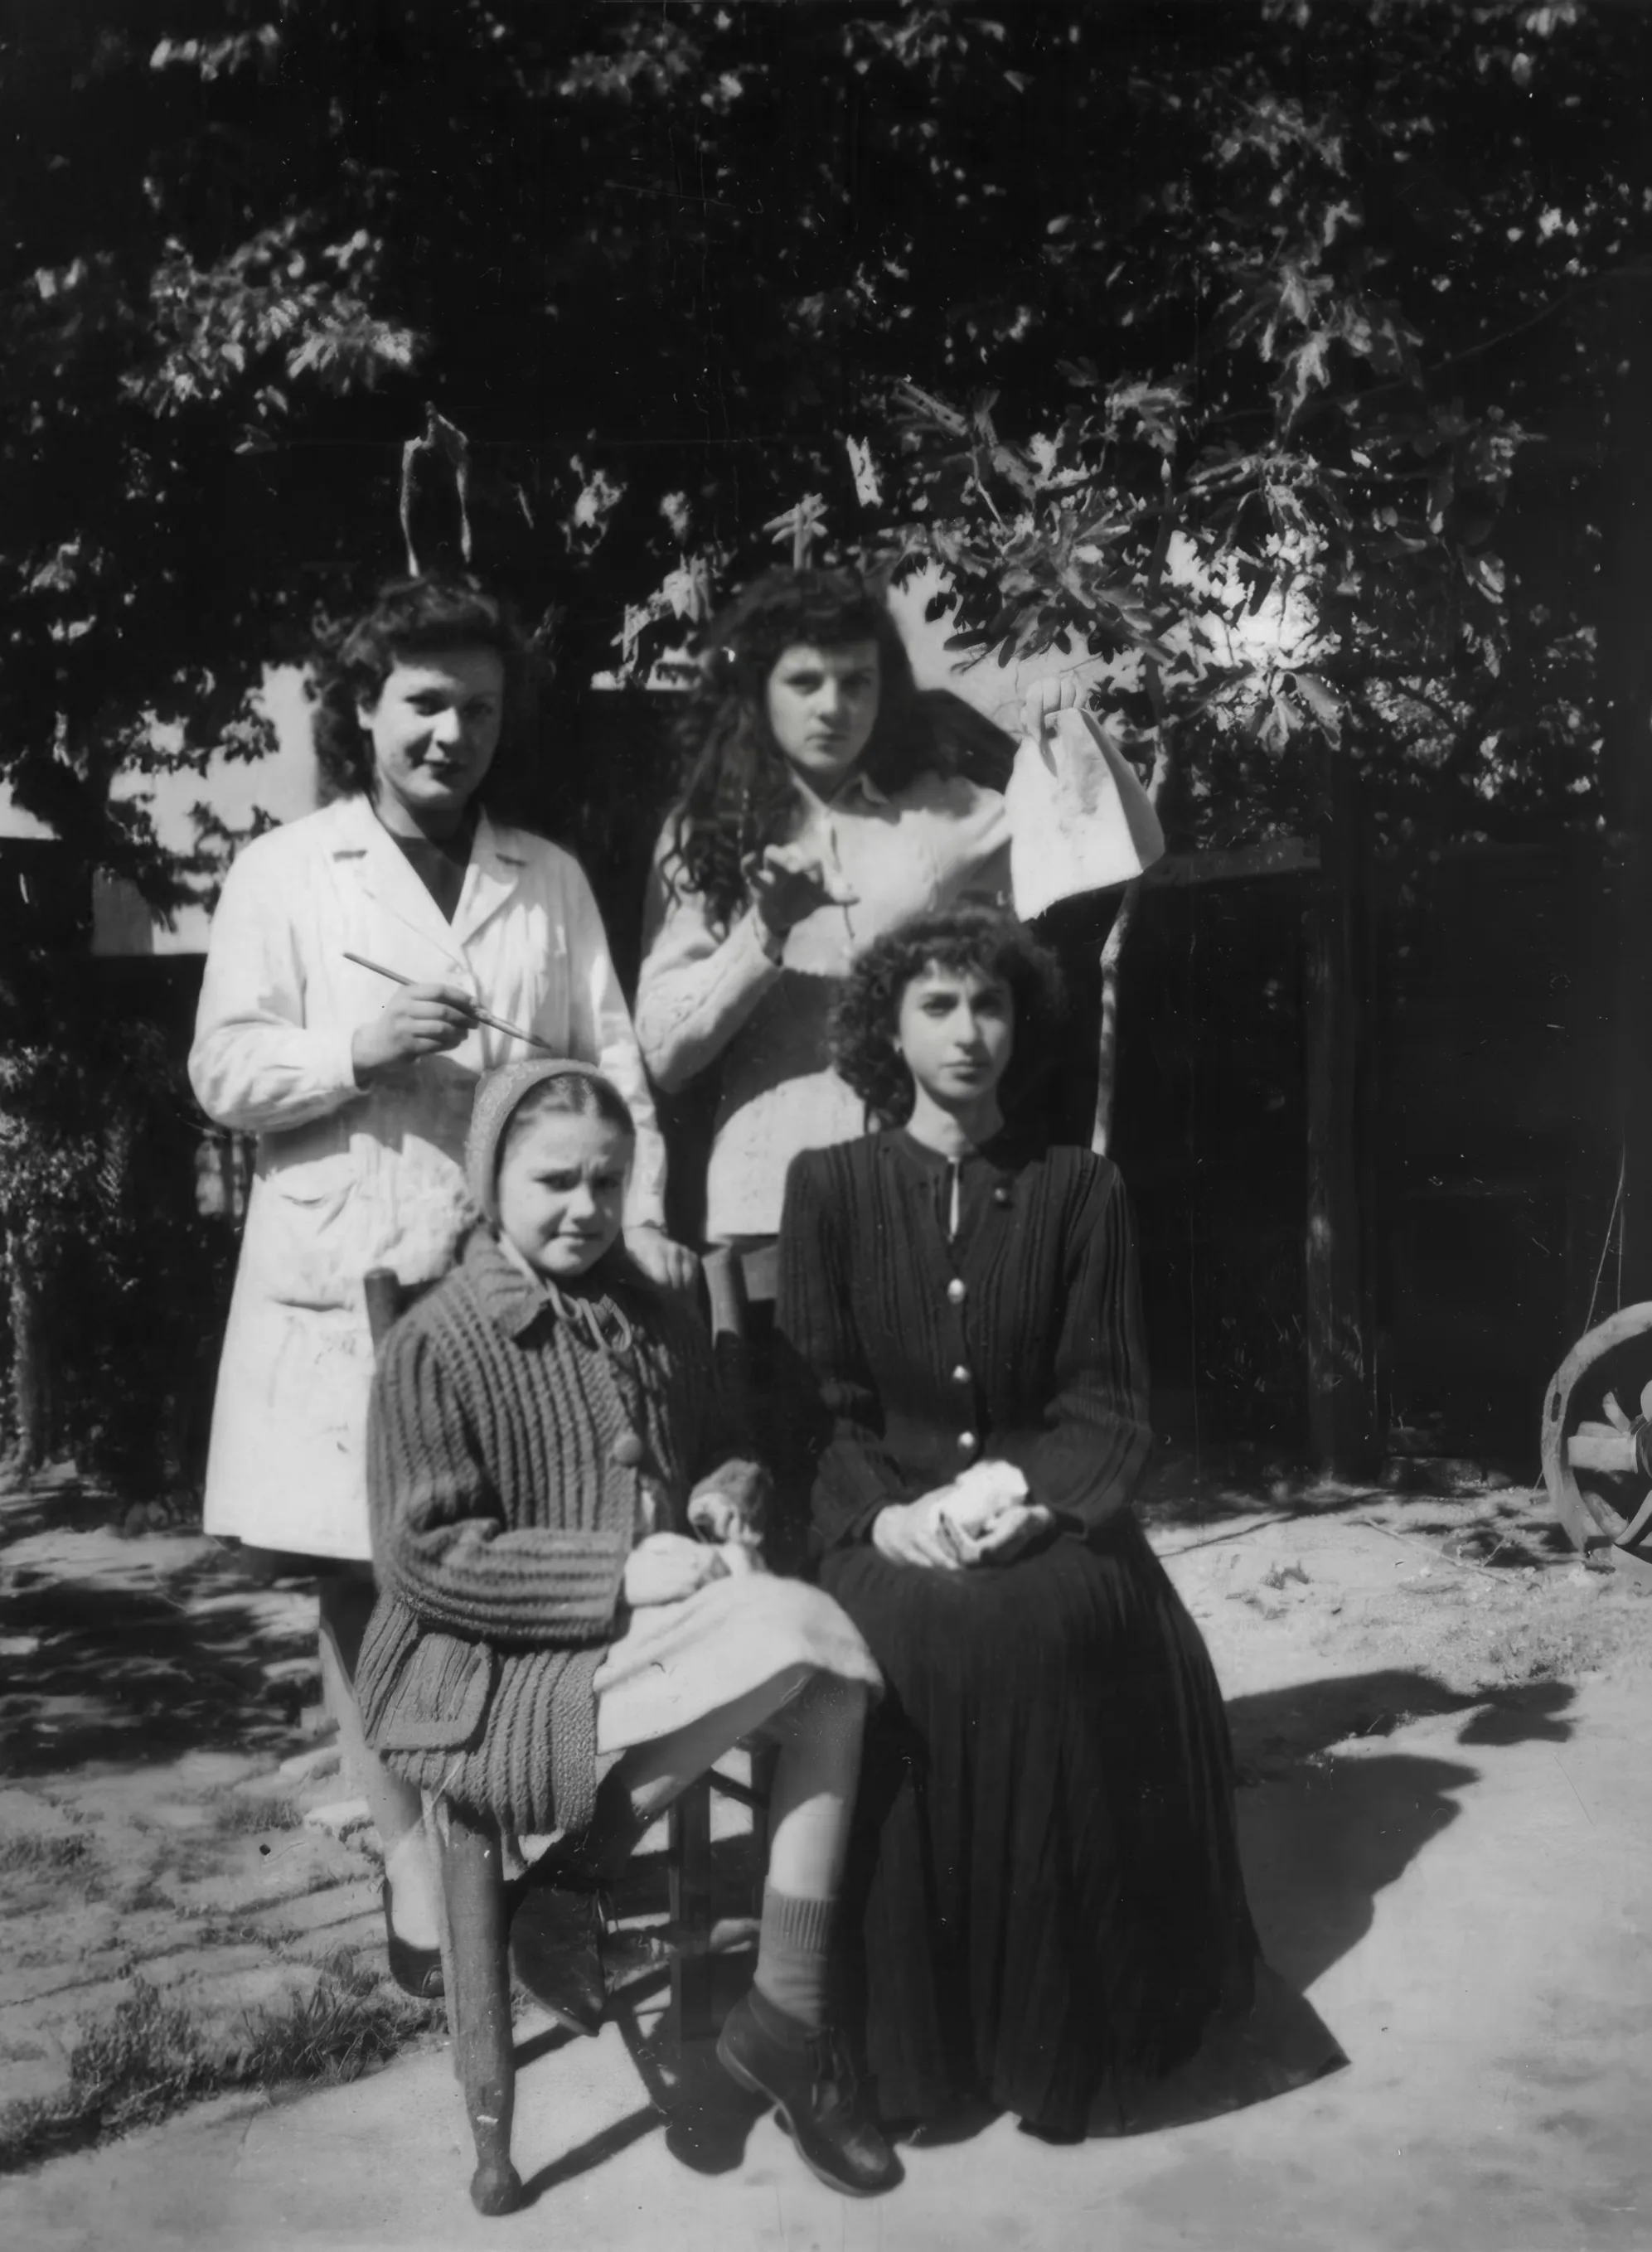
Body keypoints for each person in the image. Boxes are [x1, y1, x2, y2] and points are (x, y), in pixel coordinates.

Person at [189, 575, 693, 1998]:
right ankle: (416, 1862)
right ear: (364, 709)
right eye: (422, 703)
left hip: (509, 1279)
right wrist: (355, 1046)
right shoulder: (286, 873)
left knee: (515, 1555)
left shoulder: (546, 878)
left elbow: (615, 1071)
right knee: (365, 1579)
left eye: (477, 709)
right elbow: (221, 1073)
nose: (450, 734)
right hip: (345, 1266)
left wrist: (637, 1221)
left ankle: (529, 1855)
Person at [774, 907, 1281, 2140]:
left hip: (1049, 1518)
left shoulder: (1078, 1188)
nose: (967, 1031)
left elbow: (1105, 1400)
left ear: (1022, 1023)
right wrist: (881, 1523)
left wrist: (1028, 1500)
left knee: (1055, 1634)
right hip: (881, 1525)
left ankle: (1058, 2035)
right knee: (910, 1646)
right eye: (937, 1006)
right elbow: (817, 1406)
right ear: (886, 1030)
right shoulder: (829, 1189)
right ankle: (905, 2051)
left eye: (988, 1004)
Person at [356, 1058, 899, 2199]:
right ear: (488, 1175)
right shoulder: (441, 1340)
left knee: (832, 1673)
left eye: (609, 1181)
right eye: (554, 1180)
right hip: (492, 1666)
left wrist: (722, 1498)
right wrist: (614, 1573)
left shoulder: (646, 1309)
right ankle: (580, 1881)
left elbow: (716, 1446)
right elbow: (422, 1557)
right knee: (815, 1638)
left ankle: (771, 2009)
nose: (585, 1208)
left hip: (639, 1638)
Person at [634, 567, 1013, 1265]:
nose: (833, 707)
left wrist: (1063, 735)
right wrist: (765, 928)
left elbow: (1103, 855)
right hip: (765, 1209)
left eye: (856, 681)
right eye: (805, 682)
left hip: (928, 1200)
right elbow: (664, 1051)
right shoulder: (707, 834)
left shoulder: (940, 811)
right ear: (757, 689)